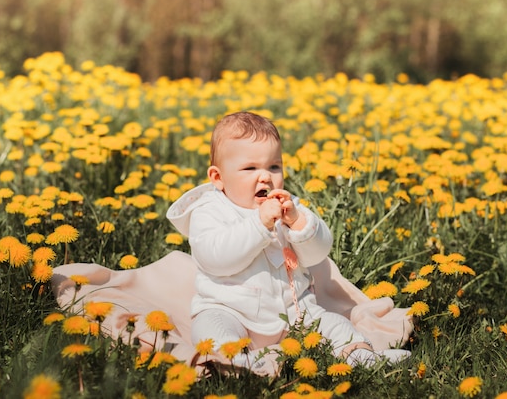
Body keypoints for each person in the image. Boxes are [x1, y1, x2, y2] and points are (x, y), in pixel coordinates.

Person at [166, 111, 411, 371]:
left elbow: (317, 253)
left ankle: (361, 356)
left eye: (273, 166)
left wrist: (300, 225)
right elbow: (215, 258)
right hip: (230, 309)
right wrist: (258, 224)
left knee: (335, 325)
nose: (265, 177)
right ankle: (236, 366)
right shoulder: (210, 211)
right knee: (211, 330)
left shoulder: (288, 207)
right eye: (250, 168)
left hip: (293, 312)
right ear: (218, 177)